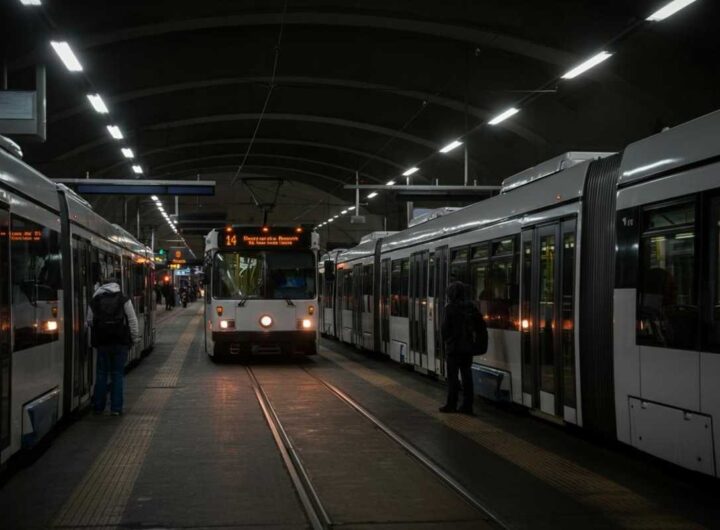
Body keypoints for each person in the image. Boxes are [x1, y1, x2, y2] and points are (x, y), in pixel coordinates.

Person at [87, 276, 140, 416]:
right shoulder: (124, 299)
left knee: (101, 374)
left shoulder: (95, 300)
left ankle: (98, 407)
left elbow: (89, 321)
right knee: (117, 375)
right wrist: (135, 339)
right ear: (117, 285)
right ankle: (116, 408)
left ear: (103, 285)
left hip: (102, 343)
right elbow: (133, 320)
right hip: (120, 342)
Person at [440, 281, 483, 415]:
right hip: (467, 348)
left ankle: (451, 404)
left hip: (453, 349)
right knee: (467, 377)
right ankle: (467, 406)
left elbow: (445, 329)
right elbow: (480, 326)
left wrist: (447, 340)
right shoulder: (471, 307)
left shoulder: (450, 308)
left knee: (453, 378)